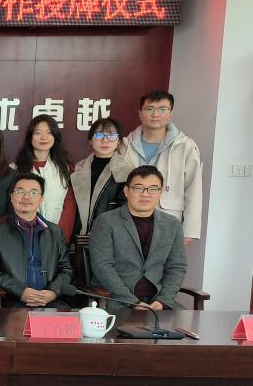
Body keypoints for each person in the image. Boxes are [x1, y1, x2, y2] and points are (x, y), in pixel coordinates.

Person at [89, 165, 187, 309]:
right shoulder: (106, 222)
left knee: (187, 322)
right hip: (118, 301)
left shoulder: (172, 224)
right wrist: (132, 302)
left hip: (158, 302)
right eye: (138, 188)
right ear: (126, 191)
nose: (145, 194)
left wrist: (164, 300)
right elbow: (102, 267)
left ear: (160, 193)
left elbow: (177, 266)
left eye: (153, 189)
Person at [0, 173, 74, 307]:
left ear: (41, 199)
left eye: (33, 193)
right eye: (20, 191)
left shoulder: (55, 232)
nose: (26, 197)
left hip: (50, 301)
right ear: (11, 197)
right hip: (11, 300)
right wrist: (20, 291)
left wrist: (53, 292)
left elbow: (66, 269)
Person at [123, 90, 202, 244]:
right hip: (130, 220)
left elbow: (194, 190)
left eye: (162, 109)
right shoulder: (126, 145)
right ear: (140, 113)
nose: (155, 114)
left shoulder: (185, 146)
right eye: (150, 109)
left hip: (168, 219)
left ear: (170, 114)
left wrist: (190, 232)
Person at [14, 114, 76, 240]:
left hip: (57, 236)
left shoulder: (66, 169)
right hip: (21, 238)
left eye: (49, 133)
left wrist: (59, 236)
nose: (43, 137)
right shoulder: (15, 169)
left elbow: (69, 205)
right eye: (38, 133)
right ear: (30, 137)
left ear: (55, 136)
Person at [71, 117, 131, 239]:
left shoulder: (126, 170)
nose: (105, 140)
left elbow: (127, 208)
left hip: (110, 236)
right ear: (90, 140)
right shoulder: (79, 169)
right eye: (99, 135)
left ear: (119, 141)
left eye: (111, 135)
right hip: (78, 237)